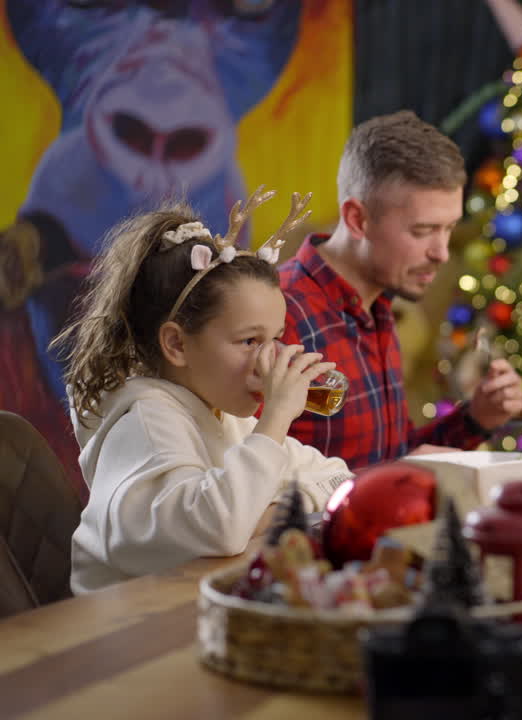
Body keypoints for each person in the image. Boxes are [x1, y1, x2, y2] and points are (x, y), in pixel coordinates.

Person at [51, 198, 352, 593]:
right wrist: (276, 419)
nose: (270, 360)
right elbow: (221, 529)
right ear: (177, 344)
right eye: (249, 341)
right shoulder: (145, 424)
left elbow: (341, 480)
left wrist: (269, 509)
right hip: (121, 637)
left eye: (274, 339)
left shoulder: (229, 417)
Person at [278, 111, 522, 469]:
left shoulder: (381, 307)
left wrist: (475, 420)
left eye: (448, 228)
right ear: (357, 219)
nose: (441, 253)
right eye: (423, 231)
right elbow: (249, 490)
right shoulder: (276, 317)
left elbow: (392, 456)